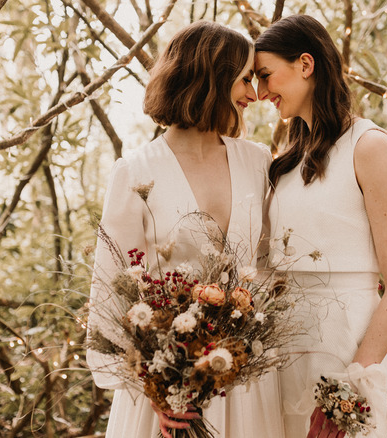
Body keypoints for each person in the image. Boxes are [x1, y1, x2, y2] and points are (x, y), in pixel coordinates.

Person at [86, 21, 284, 438]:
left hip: (246, 382)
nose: (254, 93)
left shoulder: (258, 161)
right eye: (245, 78)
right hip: (166, 389)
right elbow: (110, 292)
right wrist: (155, 387)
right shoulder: (136, 171)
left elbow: (271, 265)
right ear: (212, 75)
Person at [255, 15, 387, 438]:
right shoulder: (285, 162)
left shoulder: (370, 145)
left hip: (346, 346)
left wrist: (351, 387)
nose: (260, 92)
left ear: (305, 65)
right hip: (283, 348)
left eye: (266, 75)